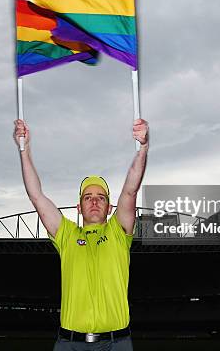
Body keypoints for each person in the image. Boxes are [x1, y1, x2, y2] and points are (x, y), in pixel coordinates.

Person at [13, 118, 149, 350]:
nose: (94, 201)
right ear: (79, 207)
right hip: (70, 343)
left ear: (110, 207)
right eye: (88, 197)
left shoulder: (119, 231)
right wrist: (24, 149)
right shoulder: (65, 234)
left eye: (101, 197)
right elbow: (36, 195)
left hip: (116, 343)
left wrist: (143, 147)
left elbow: (130, 189)